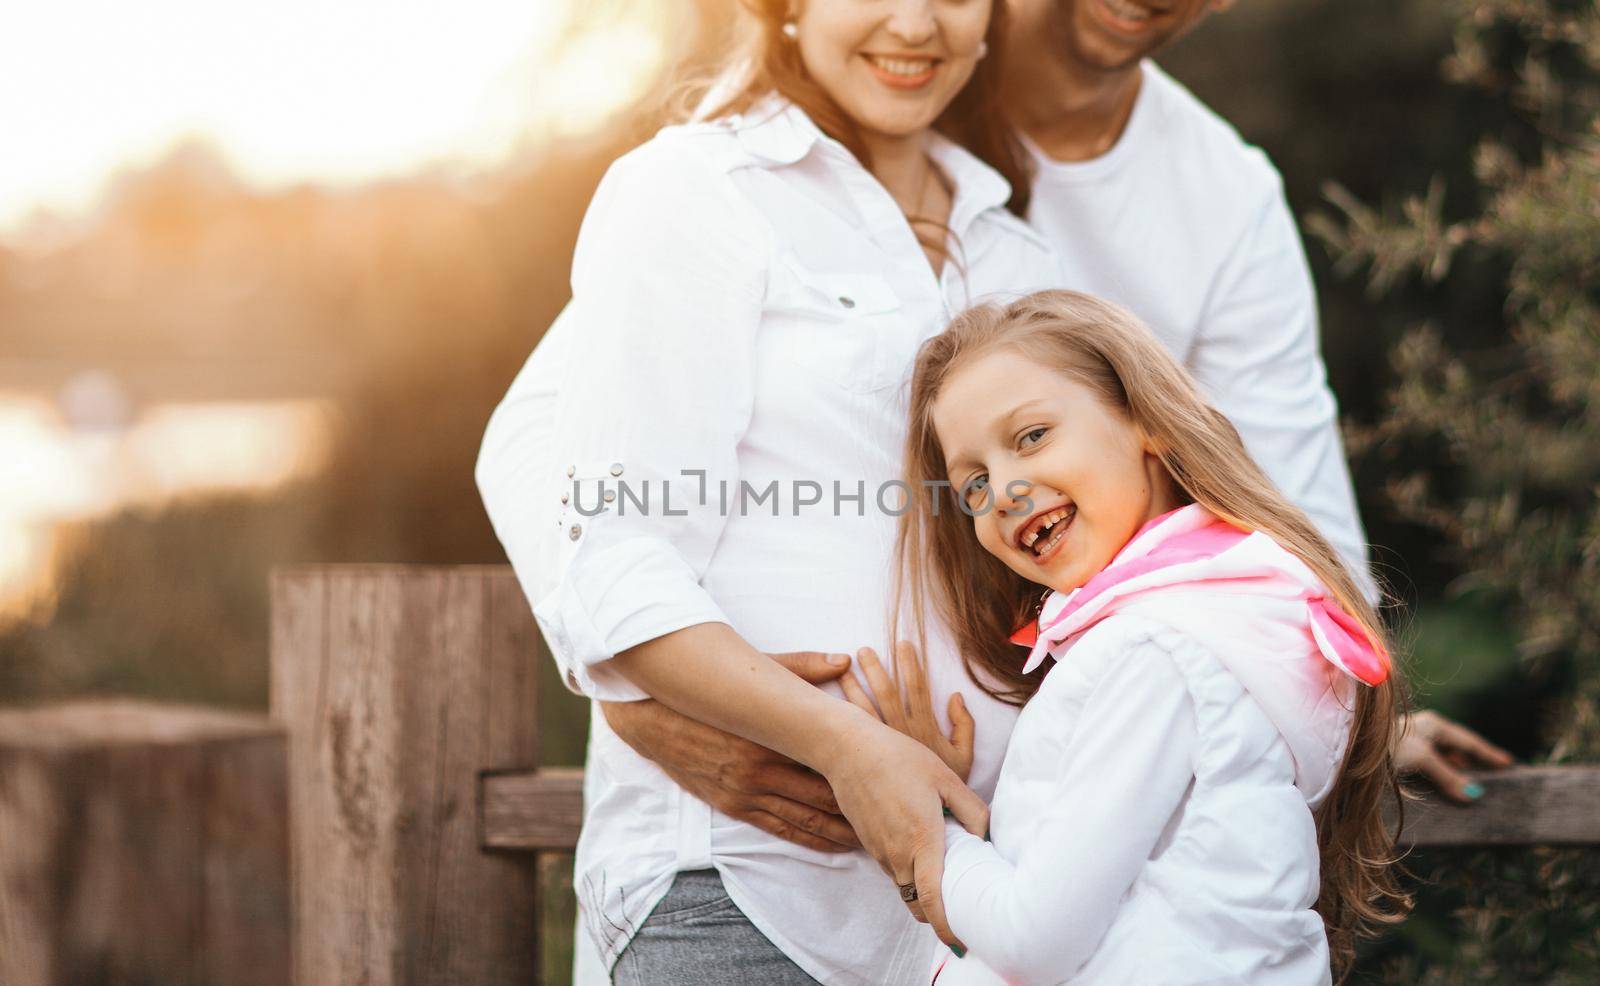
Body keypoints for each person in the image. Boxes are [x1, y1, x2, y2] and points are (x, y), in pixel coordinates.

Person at [476, 1, 1059, 982]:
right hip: (741, 894)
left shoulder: (1014, 250)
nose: (914, 23)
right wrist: (840, 744)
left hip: (977, 903)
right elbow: (603, 536)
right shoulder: (695, 189)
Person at [867, 290, 1409, 983]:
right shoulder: (1218, 624)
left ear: (1145, 423)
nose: (1001, 491)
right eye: (973, 485)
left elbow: (1035, 938)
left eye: (1031, 436)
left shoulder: (1156, 654)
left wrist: (931, 829)